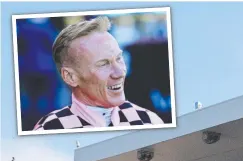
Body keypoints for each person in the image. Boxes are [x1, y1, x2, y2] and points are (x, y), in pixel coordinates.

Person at [32, 16, 164, 131]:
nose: (120, 72)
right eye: (103, 64)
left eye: (119, 58)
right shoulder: (49, 128)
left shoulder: (150, 120)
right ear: (70, 77)